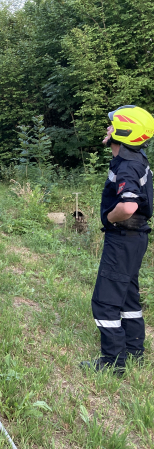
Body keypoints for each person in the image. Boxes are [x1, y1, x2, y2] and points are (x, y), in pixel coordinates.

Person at [81, 105, 154, 375]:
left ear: (125, 130)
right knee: (127, 297)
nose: (108, 129)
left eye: (112, 125)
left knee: (105, 300)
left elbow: (128, 206)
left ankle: (113, 362)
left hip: (123, 237)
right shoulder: (132, 158)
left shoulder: (127, 165)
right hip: (135, 238)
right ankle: (134, 350)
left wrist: (110, 218)